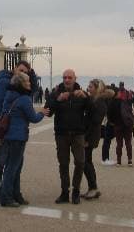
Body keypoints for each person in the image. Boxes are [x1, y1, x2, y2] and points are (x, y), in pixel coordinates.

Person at [0, 71, 46, 208]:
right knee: (13, 168)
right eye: (27, 81)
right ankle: (6, 197)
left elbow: (3, 112)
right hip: (18, 137)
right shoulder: (24, 99)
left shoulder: (9, 95)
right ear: (21, 84)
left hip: (8, 135)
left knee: (12, 166)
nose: (30, 83)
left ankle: (14, 195)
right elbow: (34, 118)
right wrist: (42, 113)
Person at [46, 69, 90, 204]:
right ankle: (65, 192)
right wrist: (58, 100)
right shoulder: (55, 93)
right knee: (63, 164)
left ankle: (76, 190)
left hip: (78, 133)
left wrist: (86, 97)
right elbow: (48, 112)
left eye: (70, 77)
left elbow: (93, 111)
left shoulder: (81, 93)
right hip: (62, 134)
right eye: (65, 77)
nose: (67, 80)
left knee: (80, 162)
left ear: (75, 78)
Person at [0, 59, 31, 203]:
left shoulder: (20, 86)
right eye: (20, 70)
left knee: (16, 162)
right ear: (14, 69)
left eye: (25, 72)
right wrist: (3, 121)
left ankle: (14, 192)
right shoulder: (4, 82)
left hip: (15, 128)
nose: (22, 73)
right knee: (1, 161)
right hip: (5, 126)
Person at [82, 79, 114, 200]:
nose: (88, 88)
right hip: (91, 134)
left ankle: (93, 188)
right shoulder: (95, 100)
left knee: (86, 162)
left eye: (90, 87)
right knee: (87, 161)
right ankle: (92, 188)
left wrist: (86, 138)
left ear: (97, 88)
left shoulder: (99, 102)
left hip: (91, 136)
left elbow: (94, 122)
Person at [108, 81, 134, 166]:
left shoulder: (112, 103)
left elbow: (109, 115)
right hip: (127, 125)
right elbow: (130, 112)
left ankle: (119, 161)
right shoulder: (125, 101)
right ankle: (130, 160)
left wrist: (113, 123)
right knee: (128, 143)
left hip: (117, 125)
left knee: (119, 144)